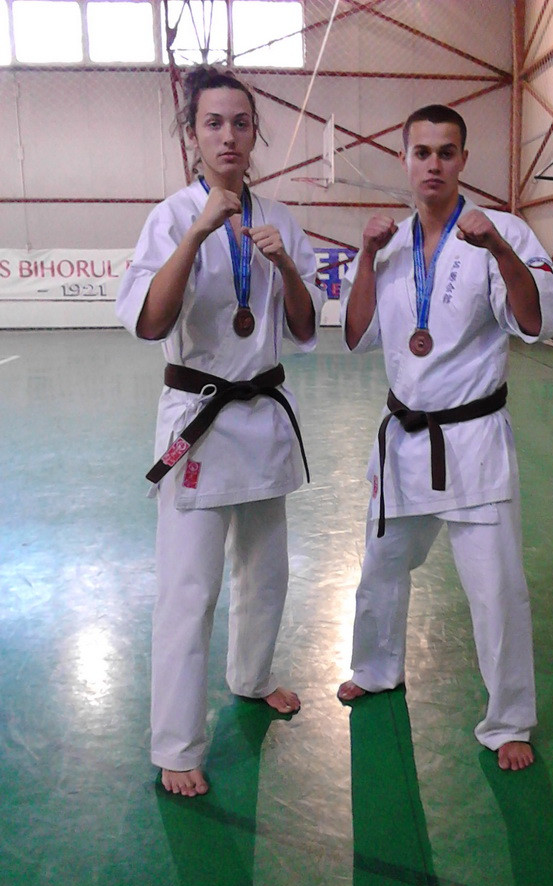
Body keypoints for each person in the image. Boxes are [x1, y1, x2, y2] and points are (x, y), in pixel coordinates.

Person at [336, 105, 553, 770]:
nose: (433, 164)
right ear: (405, 160)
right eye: (422, 152)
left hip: (472, 442)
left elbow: (536, 323)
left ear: (464, 159)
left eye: (446, 152)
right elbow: (355, 335)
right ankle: (375, 669)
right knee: (381, 568)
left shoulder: (502, 231)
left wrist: (498, 249)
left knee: (496, 588)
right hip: (404, 441)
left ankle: (509, 720)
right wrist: (364, 256)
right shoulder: (389, 244)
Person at [116, 66, 324, 796]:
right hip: (199, 421)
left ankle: (253, 676)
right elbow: (150, 322)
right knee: (189, 586)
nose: (229, 135)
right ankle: (176, 744)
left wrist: (284, 264)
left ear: (254, 132)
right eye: (214, 123)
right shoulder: (171, 217)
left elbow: (305, 326)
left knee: (266, 571)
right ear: (193, 134)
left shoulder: (281, 220)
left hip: (262, 415)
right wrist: (199, 232)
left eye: (240, 122)